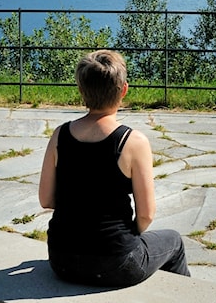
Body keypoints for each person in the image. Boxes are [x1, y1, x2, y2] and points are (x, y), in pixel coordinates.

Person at [38, 50, 190, 286]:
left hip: (62, 260)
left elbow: (46, 200)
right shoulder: (132, 141)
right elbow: (146, 214)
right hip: (115, 264)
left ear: (81, 90)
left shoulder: (60, 135)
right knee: (174, 242)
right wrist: (125, 240)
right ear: (124, 89)